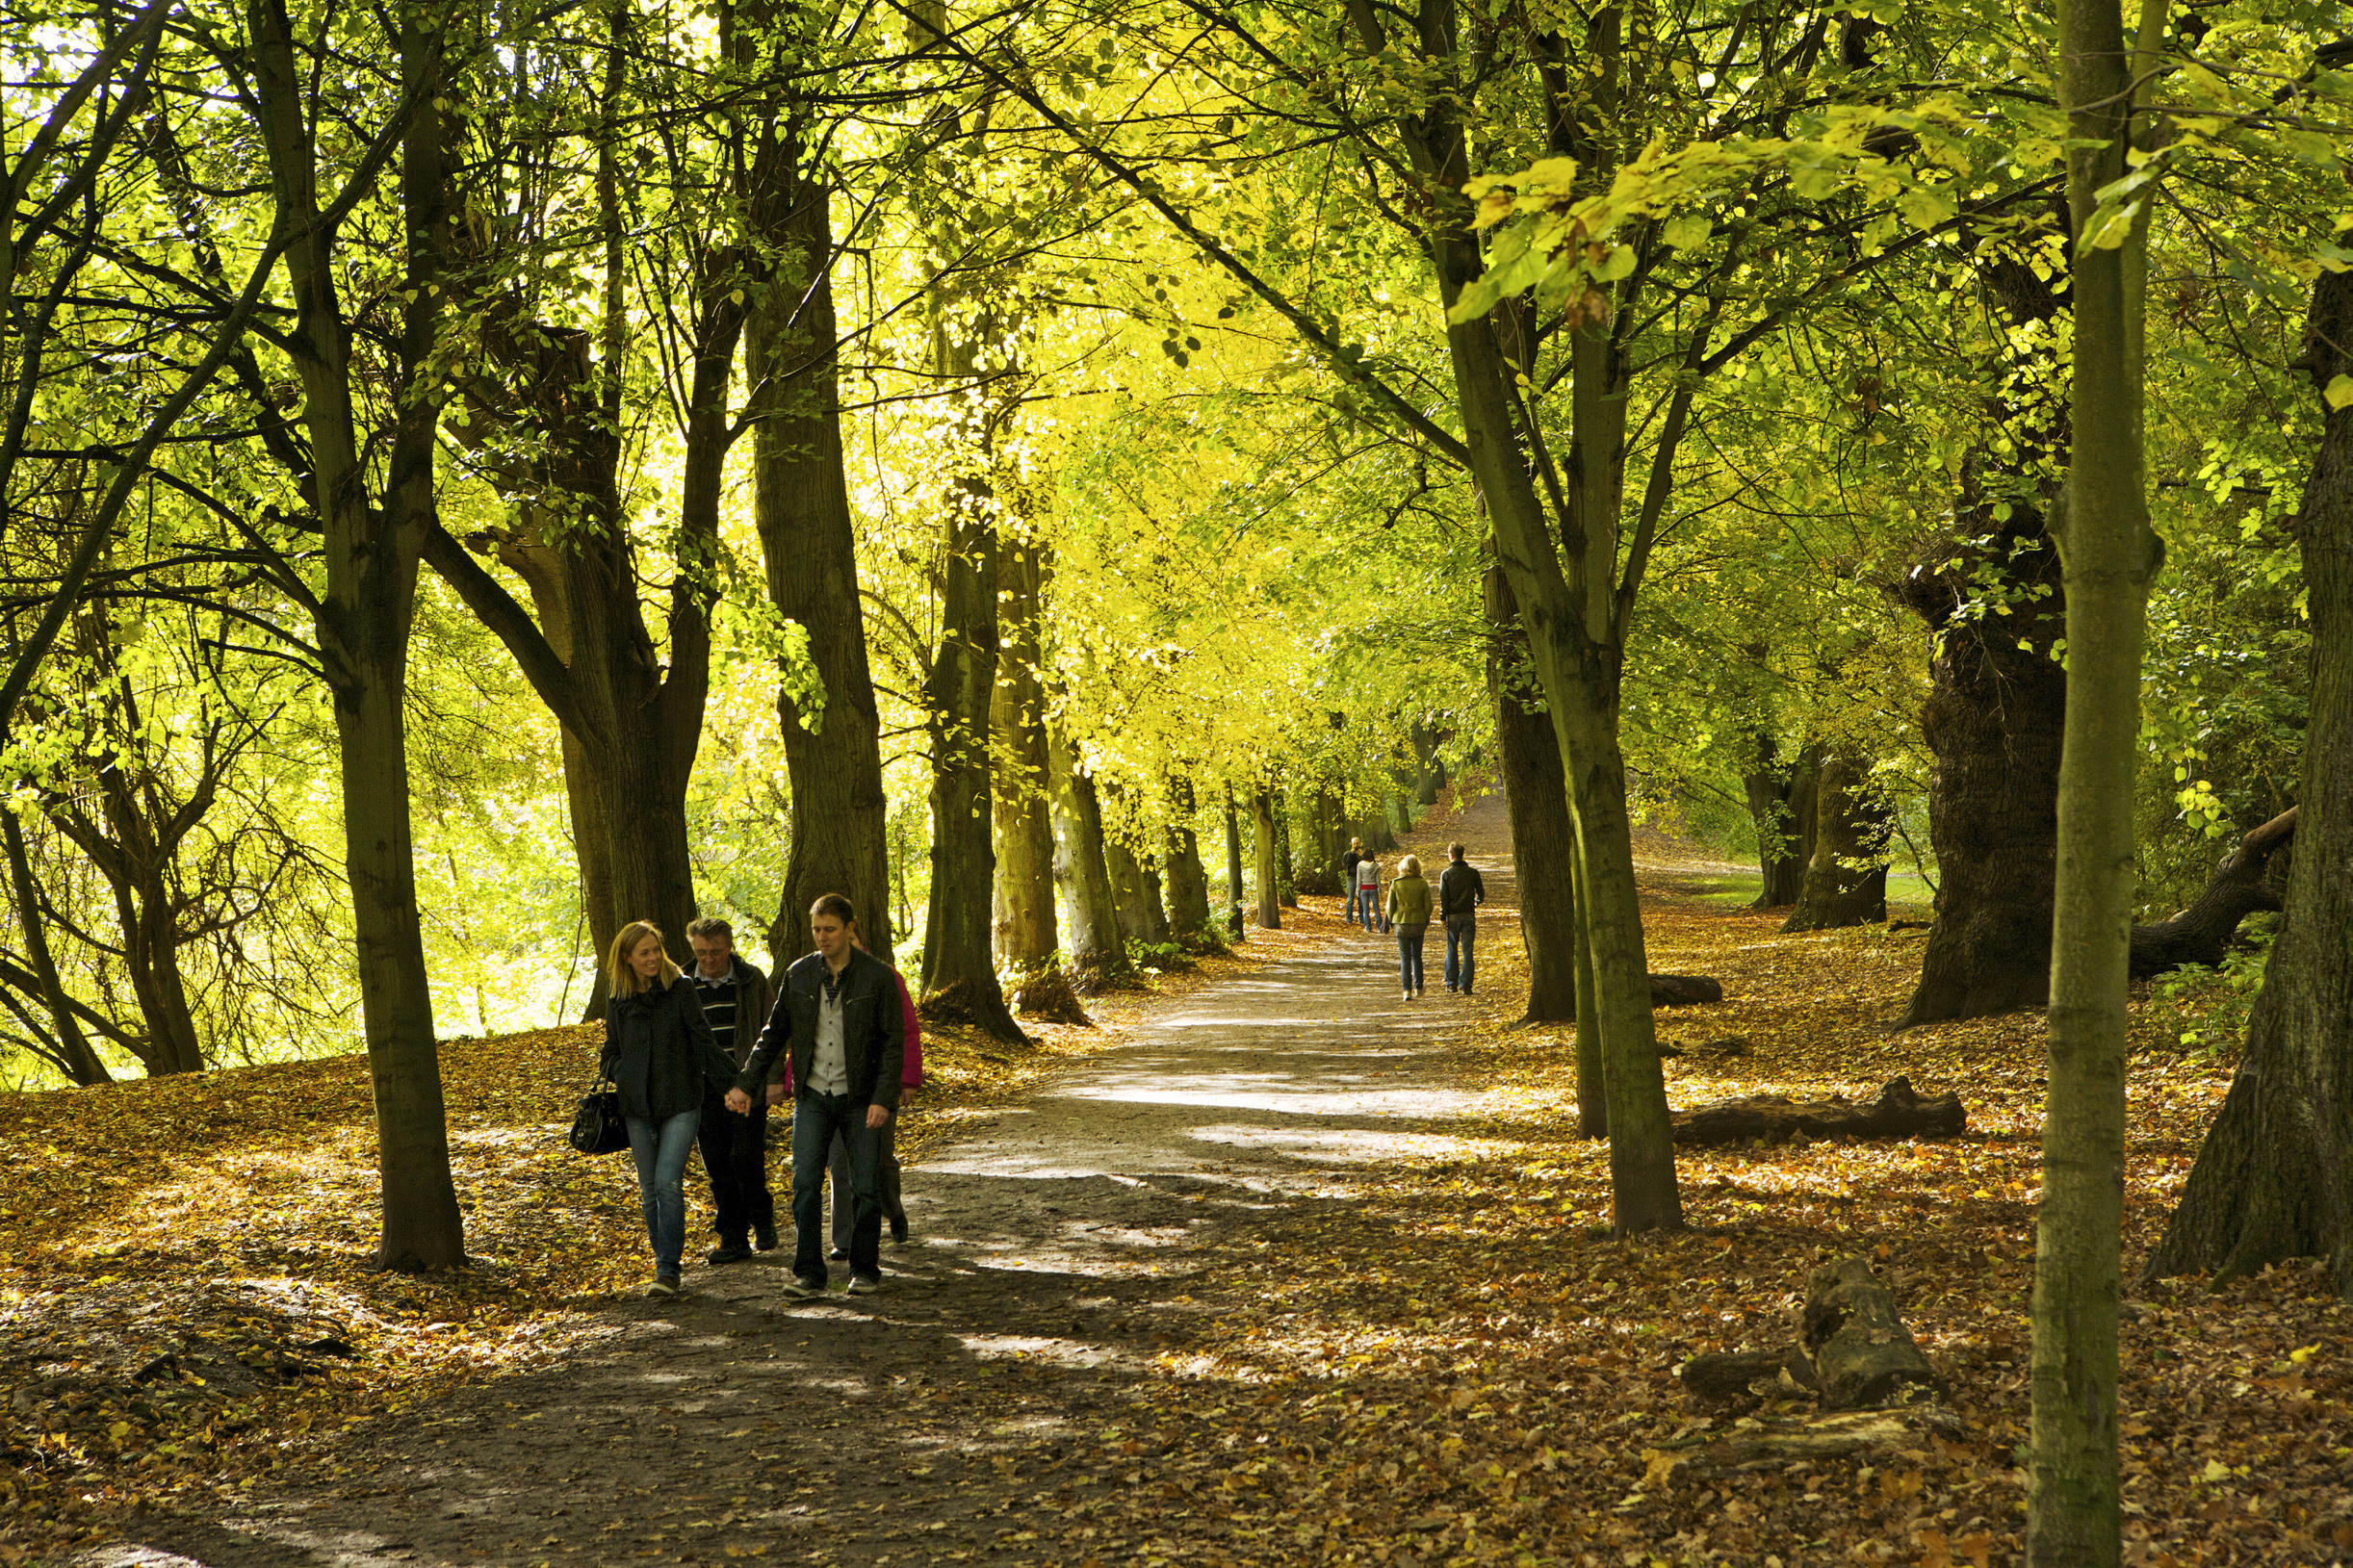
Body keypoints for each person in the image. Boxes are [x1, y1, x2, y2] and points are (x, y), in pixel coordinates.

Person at [726, 893, 906, 1298]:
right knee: (805, 1182)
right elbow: (773, 1035)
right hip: (812, 1095)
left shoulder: (877, 977)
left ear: (849, 928)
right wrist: (745, 1083)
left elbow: (894, 1043)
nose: (822, 937)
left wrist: (883, 1098)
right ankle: (809, 1271)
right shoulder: (800, 974)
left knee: (863, 1185)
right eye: (816, 930)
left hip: (860, 1096)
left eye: (829, 929)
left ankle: (864, 1268)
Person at [600, 921, 741, 1298]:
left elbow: (704, 1041)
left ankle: (667, 1271)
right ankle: (664, 1263)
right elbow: (609, 1053)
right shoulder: (619, 996)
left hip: (680, 1099)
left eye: (655, 950)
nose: (651, 958)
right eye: (643, 952)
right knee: (649, 1191)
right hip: (637, 1105)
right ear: (627, 958)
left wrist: (738, 1084)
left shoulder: (681, 989)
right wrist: (624, 1072)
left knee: (666, 1182)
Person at [685, 917, 778, 1264]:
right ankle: (734, 1237)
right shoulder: (681, 984)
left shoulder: (752, 980)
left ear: (730, 947)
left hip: (746, 1084)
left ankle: (762, 1215)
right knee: (718, 1165)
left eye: (716, 952)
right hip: (704, 1088)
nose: (708, 960)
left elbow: (773, 1030)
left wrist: (771, 1080)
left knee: (746, 1158)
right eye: (701, 953)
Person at [828, 964, 921, 1259]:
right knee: (840, 1163)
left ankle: (893, 1209)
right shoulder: (815, 977)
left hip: (878, 1086)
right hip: (832, 1089)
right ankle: (845, 1239)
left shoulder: (884, 977)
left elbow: (906, 1030)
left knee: (879, 1160)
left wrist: (907, 1079)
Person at [1437, 841, 1487, 996]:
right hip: (1468, 914)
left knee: (1452, 949)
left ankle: (1451, 983)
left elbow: (1443, 897)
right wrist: (1476, 903)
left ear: (1451, 855)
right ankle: (1466, 985)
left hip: (1452, 915)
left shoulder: (1446, 874)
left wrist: (1443, 916)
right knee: (1467, 951)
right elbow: (1481, 893)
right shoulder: (1472, 873)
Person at [1387, 854, 1433, 1001]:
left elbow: (1390, 907)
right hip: (1418, 921)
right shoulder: (1422, 884)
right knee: (1417, 956)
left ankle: (1406, 990)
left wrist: (1392, 921)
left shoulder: (1396, 884)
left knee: (1405, 957)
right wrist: (1425, 919)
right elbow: (1428, 906)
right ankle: (1418, 987)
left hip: (1401, 922)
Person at [1352, 850, 1382, 933]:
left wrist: (1357, 889)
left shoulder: (1360, 865)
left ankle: (1368, 927)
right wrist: (1379, 889)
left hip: (1363, 888)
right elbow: (1377, 879)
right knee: (1376, 908)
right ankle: (1379, 926)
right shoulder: (1376, 866)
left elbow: (1358, 878)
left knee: (1365, 909)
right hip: (1373, 887)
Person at [1341, 836, 1365, 925]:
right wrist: (1352, 853)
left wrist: (1361, 856)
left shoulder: (1362, 854)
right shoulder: (1347, 853)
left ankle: (1361, 918)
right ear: (1351, 844)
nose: (1356, 845)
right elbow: (1345, 864)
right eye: (1354, 844)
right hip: (1351, 878)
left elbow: (1367, 864)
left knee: (1361, 900)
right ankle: (1349, 918)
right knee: (1350, 899)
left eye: (1357, 843)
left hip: (1361, 879)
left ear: (1360, 843)